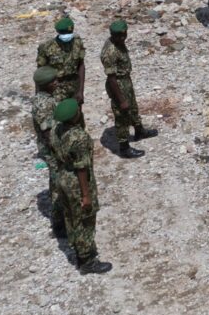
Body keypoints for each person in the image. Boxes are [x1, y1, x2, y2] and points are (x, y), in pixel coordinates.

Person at [51, 98, 111, 274]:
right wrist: (86, 195)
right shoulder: (79, 138)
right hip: (77, 182)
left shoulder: (57, 130)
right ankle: (87, 261)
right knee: (85, 220)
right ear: (74, 116)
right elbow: (82, 168)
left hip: (62, 177)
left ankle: (77, 249)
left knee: (71, 217)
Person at [101, 19, 157, 158]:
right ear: (112, 35)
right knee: (122, 115)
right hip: (118, 85)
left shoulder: (119, 42)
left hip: (126, 80)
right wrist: (121, 100)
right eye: (118, 36)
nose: (122, 38)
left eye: (123, 35)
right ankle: (124, 147)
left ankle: (139, 131)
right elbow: (111, 78)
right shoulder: (110, 51)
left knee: (133, 107)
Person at [31, 66, 64, 237]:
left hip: (53, 147)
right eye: (53, 81)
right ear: (45, 85)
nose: (57, 83)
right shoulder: (44, 104)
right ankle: (59, 224)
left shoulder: (45, 98)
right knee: (58, 184)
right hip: (52, 150)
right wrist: (61, 151)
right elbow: (47, 132)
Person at [37, 15, 86, 105]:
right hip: (55, 89)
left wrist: (80, 91)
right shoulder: (46, 47)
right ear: (58, 32)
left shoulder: (77, 42)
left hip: (73, 86)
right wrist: (39, 96)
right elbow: (40, 73)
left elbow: (81, 65)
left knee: (76, 116)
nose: (66, 37)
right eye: (63, 34)